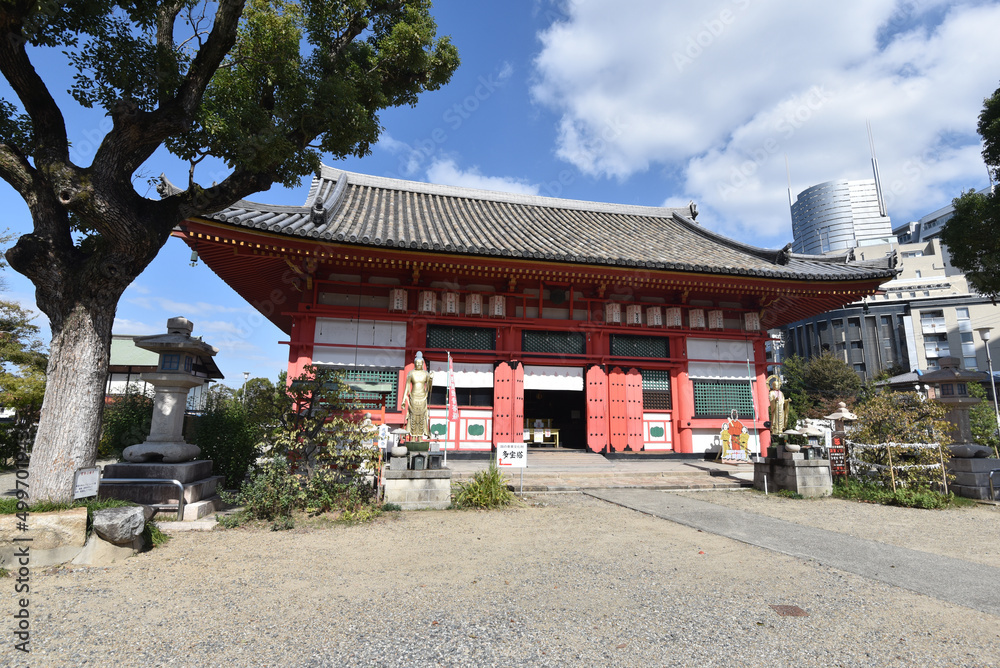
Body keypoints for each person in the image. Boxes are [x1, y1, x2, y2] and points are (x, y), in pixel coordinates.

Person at [402, 352, 433, 439]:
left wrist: (430, 379)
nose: (418, 364)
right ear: (415, 363)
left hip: (422, 397)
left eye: (420, 363)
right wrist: (403, 399)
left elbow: (429, 388)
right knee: (413, 416)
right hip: (413, 397)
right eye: (417, 363)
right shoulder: (411, 373)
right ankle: (412, 437)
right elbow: (407, 387)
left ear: (423, 363)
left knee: (422, 417)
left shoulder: (426, 373)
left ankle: (420, 437)